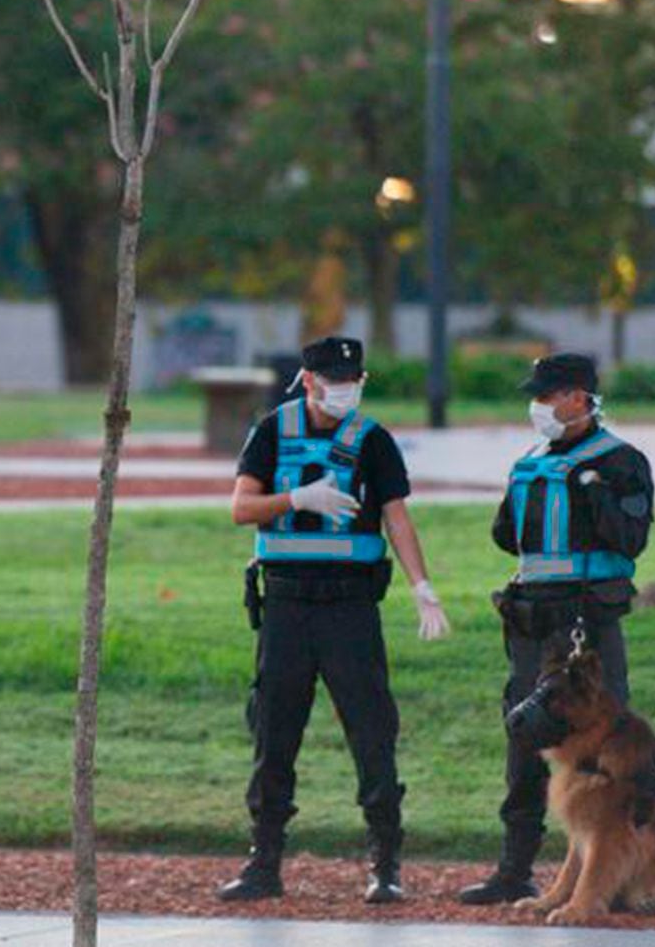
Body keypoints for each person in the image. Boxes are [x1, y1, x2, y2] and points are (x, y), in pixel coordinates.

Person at [216, 335, 451, 906]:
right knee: (275, 733)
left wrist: (423, 587)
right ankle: (264, 862)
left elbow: (397, 516)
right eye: (333, 380)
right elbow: (240, 507)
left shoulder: (373, 441)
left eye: (353, 380)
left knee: (373, 733)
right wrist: (297, 499)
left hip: (350, 607)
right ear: (308, 378)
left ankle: (386, 864)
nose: (343, 389)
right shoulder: (273, 431)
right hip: (288, 606)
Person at [457, 352, 655, 906]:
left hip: (586, 625)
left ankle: (617, 877)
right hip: (533, 620)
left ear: (578, 397)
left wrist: (592, 493)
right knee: (525, 734)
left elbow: (630, 539)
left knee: (606, 752)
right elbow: (506, 533)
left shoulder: (621, 462)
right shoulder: (532, 460)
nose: (538, 407)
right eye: (537, 398)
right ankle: (514, 868)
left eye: (548, 397)